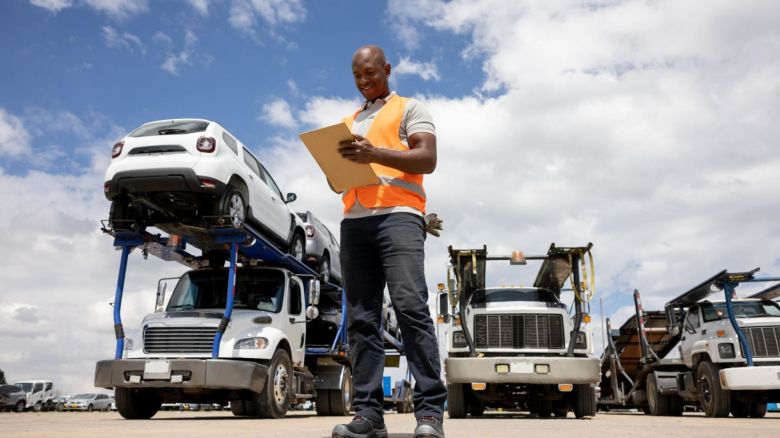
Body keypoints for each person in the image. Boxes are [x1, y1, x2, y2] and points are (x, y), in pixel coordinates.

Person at [331, 45, 447, 438]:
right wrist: (336, 167)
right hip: (355, 223)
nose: (364, 82)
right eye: (358, 76)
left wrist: (374, 153)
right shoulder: (348, 122)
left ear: (387, 69)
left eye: (371, 74)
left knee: (411, 308)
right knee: (362, 320)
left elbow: (426, 158)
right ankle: (368, 417)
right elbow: (337, 180)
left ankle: (430, 414)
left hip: (399, 218)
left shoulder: (411, 109)